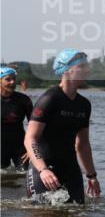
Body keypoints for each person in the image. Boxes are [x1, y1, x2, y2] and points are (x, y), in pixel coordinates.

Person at [24, 50, 99, 204]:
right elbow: (30, 138)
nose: (88, 70)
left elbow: (83, 144)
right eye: (82, 66)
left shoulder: (84, 105)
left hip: (70, 167)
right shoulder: (50, 99)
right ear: (66, 70)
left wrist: (91, 176)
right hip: (43, 168)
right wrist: (43, 169)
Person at [1, 66, 32, 170]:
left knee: (24, 175)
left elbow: (35, 125)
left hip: (20, 147)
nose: (12, 82)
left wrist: (31, 149)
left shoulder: (23, 100)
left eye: (14, 79)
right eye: (8, 79)